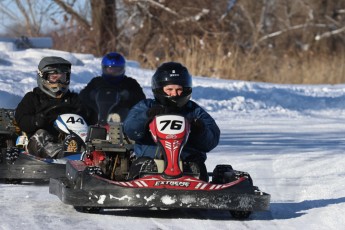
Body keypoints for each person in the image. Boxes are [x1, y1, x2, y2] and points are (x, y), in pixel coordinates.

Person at [123, 62, 220, 181]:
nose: (174, 94)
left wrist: (199, 130)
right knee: (142, 164)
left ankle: (203, 195)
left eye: (179, 89)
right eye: (169, 89)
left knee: (196, 166)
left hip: (188, 166)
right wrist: (147, 116)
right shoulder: (146, 106)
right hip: (149, 164)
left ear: (186, 90)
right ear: (159, 89)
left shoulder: (194, 111)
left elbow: (212, 140)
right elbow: (130, 129)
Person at [15, 56, 89, 158]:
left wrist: (86, 113)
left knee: (84, 136)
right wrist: (36, 121)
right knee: (41, 134)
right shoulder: (33, 98)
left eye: (62, 78)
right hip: (37, 147)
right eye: (54, 78)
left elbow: (91, 118)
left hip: (67, 141)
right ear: (43, 77)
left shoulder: (73, 99)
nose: (59, 83)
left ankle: (87, 157)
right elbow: (20, 119)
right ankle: (60, 155)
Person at [79, 52, 146, 124]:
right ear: (104, 68)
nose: (113, 72)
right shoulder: (97, 81)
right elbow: (81, 96)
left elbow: (142, 100)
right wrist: (92, 95)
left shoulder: (130, 83)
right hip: (97, 115)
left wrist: (129, 96)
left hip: (121, 118)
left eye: (116, 70)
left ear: (122, 69)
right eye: (110, 69)